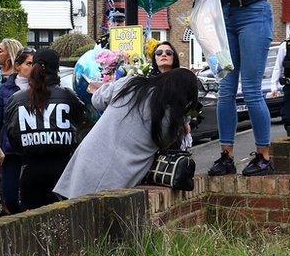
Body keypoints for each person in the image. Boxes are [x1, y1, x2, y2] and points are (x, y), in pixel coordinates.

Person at [203, 0, 276, 177]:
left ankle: (264, 157)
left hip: (253, 14)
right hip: (225, 17)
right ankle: (226, 156)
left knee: (252, 89)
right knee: (224, 89)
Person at [55, 69, 201, 197]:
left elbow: (97, 100)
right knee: (105, 220)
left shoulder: (129, 85)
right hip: (122, 174)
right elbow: (166, 143)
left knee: (75, 213)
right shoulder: (169, 120)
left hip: (90, 158)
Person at [3, 48, 87, 210]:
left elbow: (12, 136)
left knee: (33, 226)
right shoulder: (68, 96)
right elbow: (81, 126)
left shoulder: (16, 99)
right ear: (56, 70)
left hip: (30, 172)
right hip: (64, 172)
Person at [0, 47, 35, 214]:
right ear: (17, 66)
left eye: (34, 63)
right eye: (28, 63)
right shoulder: (5, 89)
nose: (32, 67)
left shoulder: (40, 88)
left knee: (29, 194)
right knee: (9, 195)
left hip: (33, 148)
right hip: (11, 149)